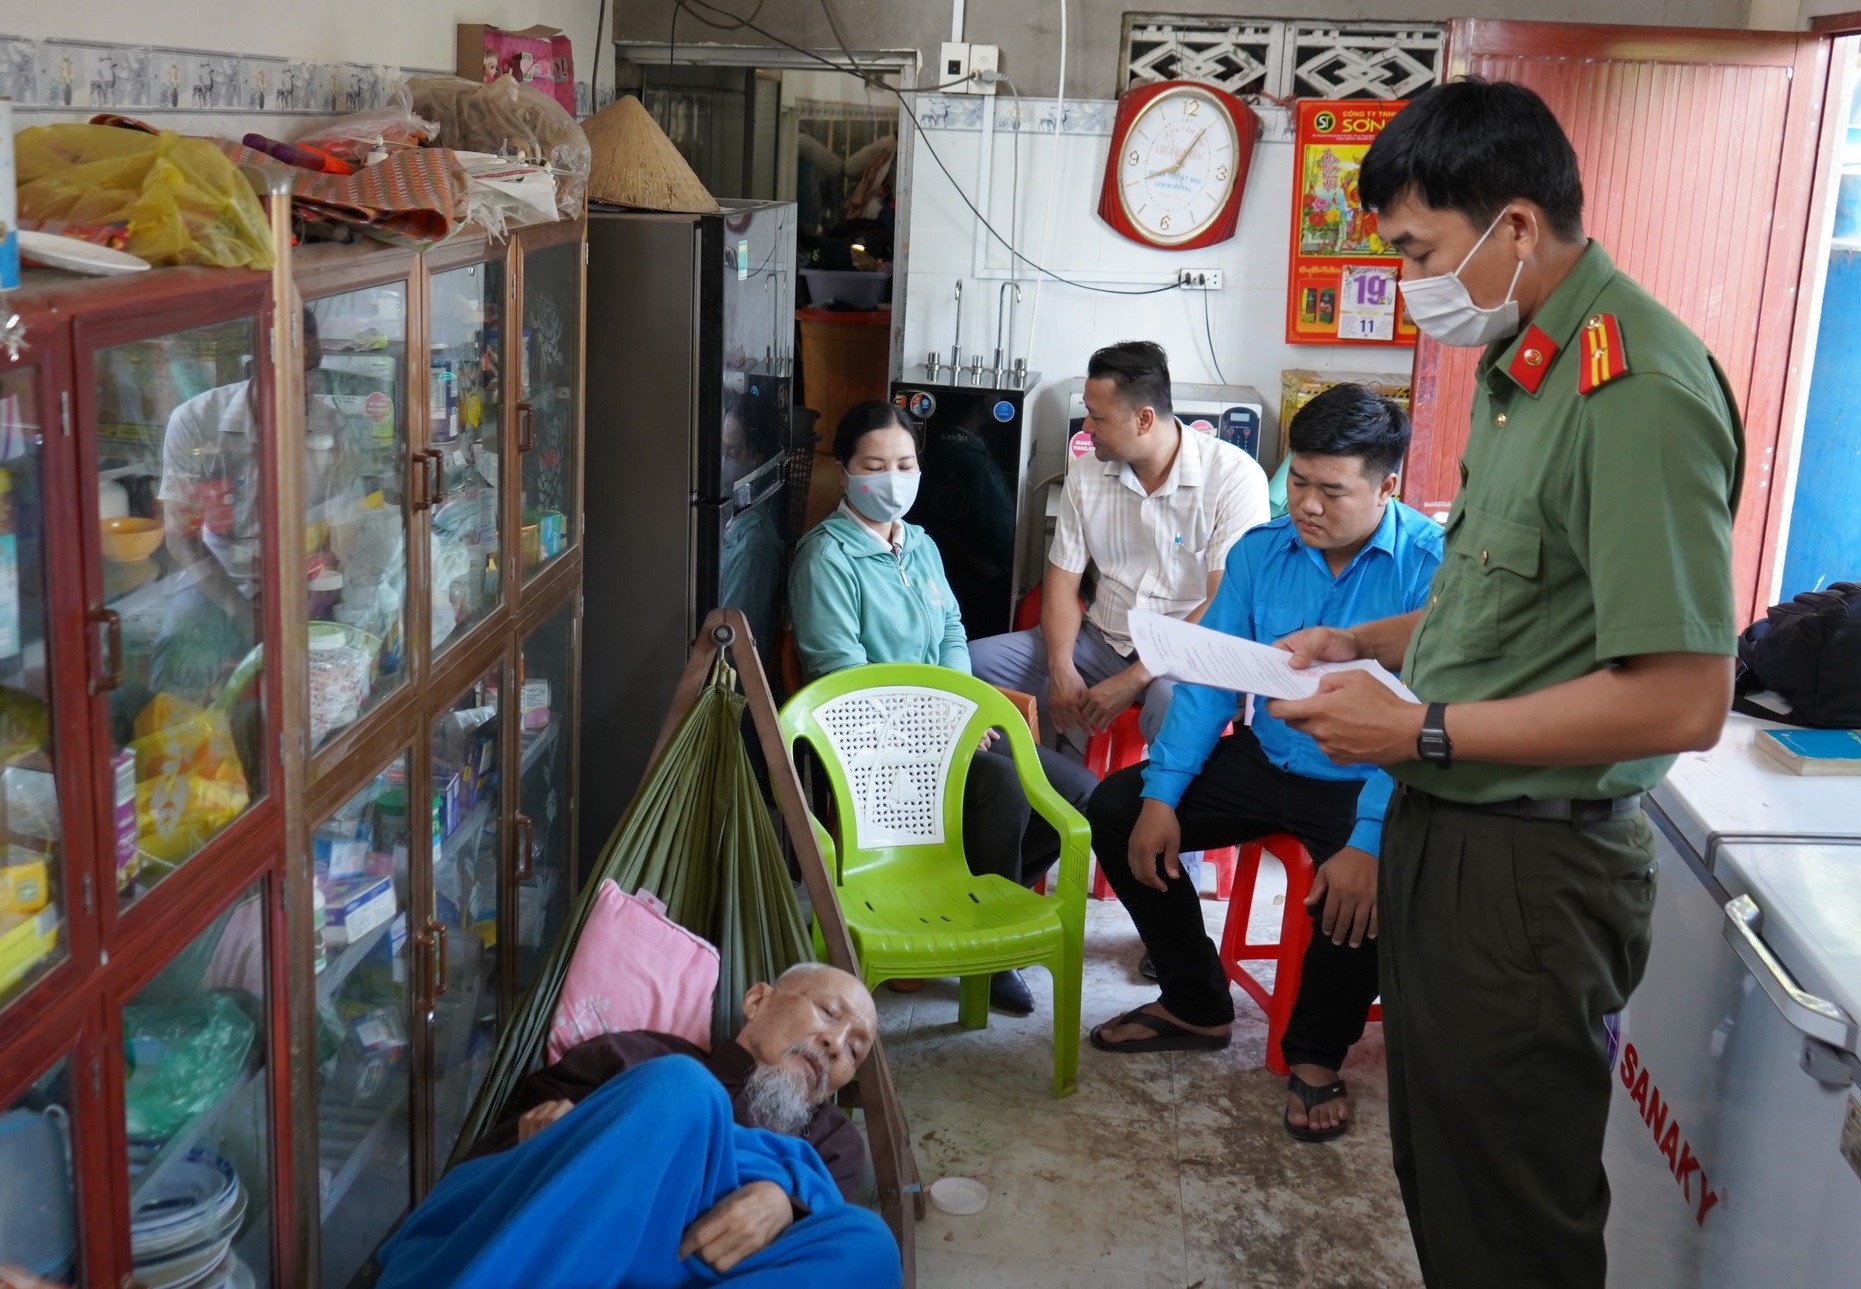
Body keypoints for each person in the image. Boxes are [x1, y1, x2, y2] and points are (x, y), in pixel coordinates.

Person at [1271, 79, 1742, 1287]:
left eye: (1419, 250)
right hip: (1457, 834)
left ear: (1516, 225)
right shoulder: (1521, 363)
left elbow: (1681, 695)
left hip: (1530, 867)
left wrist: (1419, 728)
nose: (1407, 280)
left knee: (1511, 1215)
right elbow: (1517, 602)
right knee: (1446, 1171)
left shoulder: (1630, 387)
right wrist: (1364, 641)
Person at [1085, 386, 1441, 1148]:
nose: (1307, 505)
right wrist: (1161, 793)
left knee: (1361, 890)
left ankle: (1314, 1054)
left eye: (1331, 489)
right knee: (1116, 810)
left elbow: (1423, 714)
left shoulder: (1430, 570)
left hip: (1370, 774)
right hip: (1268, 752)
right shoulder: (1260, 551)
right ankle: (1195, 1000)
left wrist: (1370, 839)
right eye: (1298, 482)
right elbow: (1211, 677)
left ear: (1386, 486)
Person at [788, 401, 1099, 1017]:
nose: (893, 477)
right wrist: (935, 731)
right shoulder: (826, 558)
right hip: (874, 745)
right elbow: (841, 675)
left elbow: (954, 631)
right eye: (875, 465)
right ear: (847, 473)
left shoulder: (920, 544)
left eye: (905, 463)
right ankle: (992, 955)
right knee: (1004, 790)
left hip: (948, 726)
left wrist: (963, 712)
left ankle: (977, 907)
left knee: (1081, 793)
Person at [376, 963, 900, 1289]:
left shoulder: (833, 1142)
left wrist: (789, 1200)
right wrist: (557, 1135)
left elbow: (812, 1250)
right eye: (829, 1013)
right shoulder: (641, 1055)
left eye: (855, 1049)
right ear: (757, 1001)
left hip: (703, 1266)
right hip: (574, 1238)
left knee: (869, 1243)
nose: (836, 1043)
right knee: (685, 1093)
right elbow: (508, 1156)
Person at [968, 341, 1270, 749]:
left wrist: (1136, 677)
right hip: (1101, 640)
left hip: (1188, 651)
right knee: (969, 667)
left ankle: (1158, 808)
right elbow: (1061, 580)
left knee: (1173, 703)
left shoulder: (1235, 478)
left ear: (1144, 419)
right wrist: (1060, 666)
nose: (1086, 428)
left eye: (1097, 417)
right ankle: (1041, 788)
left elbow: (1223, 602)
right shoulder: (1087, 476)